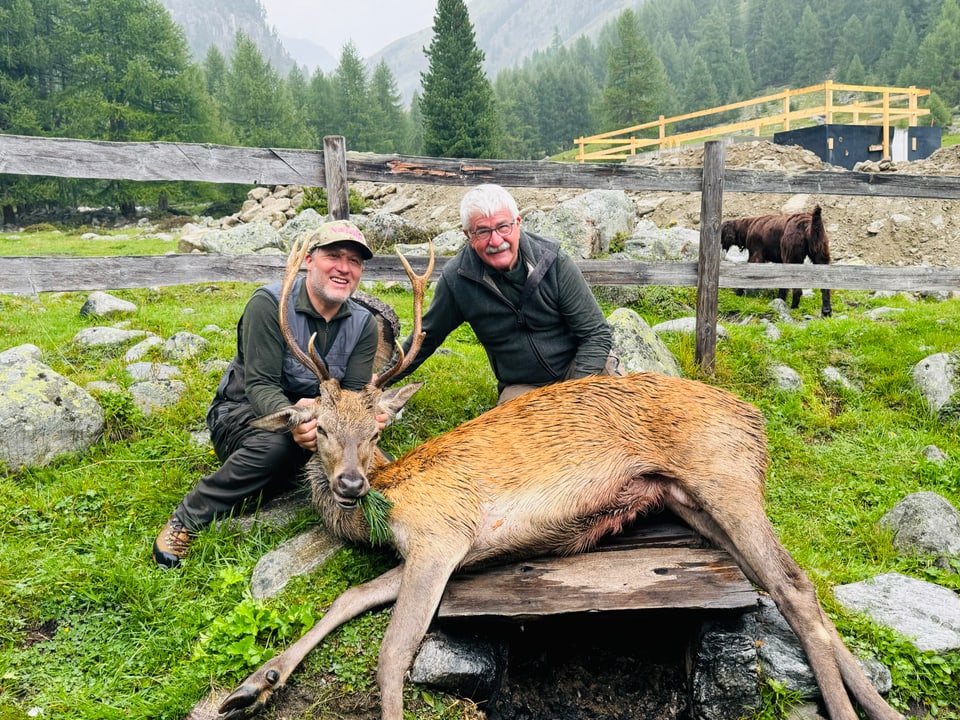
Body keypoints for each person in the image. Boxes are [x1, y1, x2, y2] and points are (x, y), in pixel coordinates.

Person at [153, 220, 383, 569]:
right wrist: (294, 421)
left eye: (354, 261)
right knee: (277, 446)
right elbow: (259, 384)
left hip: (320, 420)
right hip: (245, 412)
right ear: (309, 260)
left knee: (363, 450)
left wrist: (366, 417)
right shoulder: (269, 304)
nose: (344, 268)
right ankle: (188, 516)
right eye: (333, 256)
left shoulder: (364, 324)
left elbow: (351, 394)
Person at [390, 183, 620, 404]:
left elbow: (596, 334)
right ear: (468, 236)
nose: (496, 241)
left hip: (580, 367)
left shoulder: (553, 262)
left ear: (517, 223)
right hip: (524, 386)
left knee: (625, 415)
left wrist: (575, 394)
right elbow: (425, 339)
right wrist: (377, 379)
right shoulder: (457, 279)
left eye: (503, 227)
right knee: (519, 440)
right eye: (482, 231)